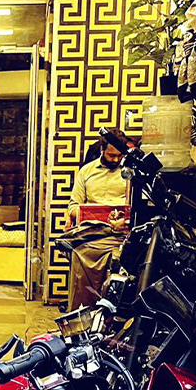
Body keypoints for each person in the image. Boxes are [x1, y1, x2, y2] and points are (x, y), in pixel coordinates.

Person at [64, 129, 134, 311]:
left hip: (122, 232)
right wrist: (86, 213)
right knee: (81, 253)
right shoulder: (86, 172)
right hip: (92, 231)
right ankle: (82, 313)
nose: (116, 160)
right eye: (111, 155)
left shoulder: (130, 173)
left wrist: (125, 218)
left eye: (119, 156)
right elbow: (73, 206)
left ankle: (109, 314)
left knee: (125, 255)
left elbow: (138, 208)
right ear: (102, 150)